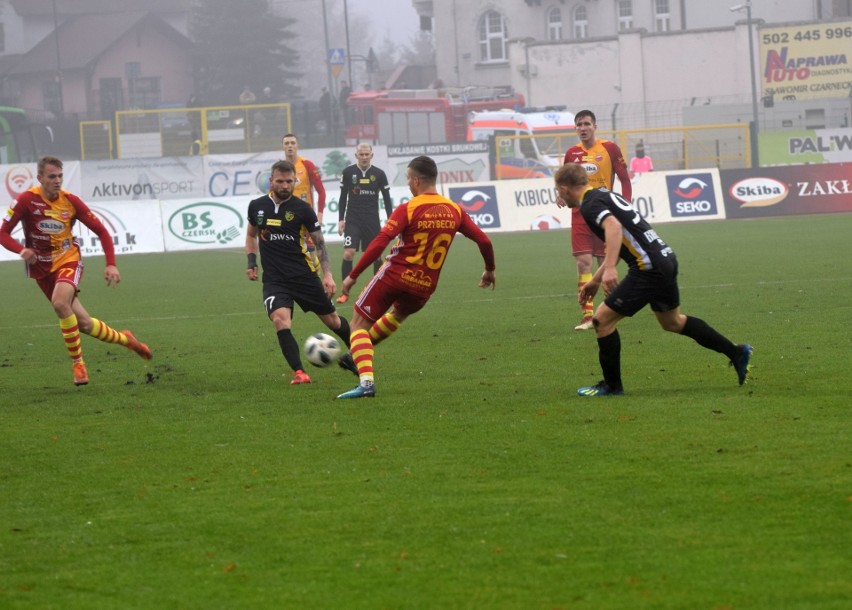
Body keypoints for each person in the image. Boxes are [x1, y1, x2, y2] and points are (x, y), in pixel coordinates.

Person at [553, 163, 752, 397]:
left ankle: (612, 386)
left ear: (566, 189)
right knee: (673, 322)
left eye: (558, 191)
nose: (559, 196)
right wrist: (596, 279)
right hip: (665, 259)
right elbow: (623, 240)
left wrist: (608, 270)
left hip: (648, 268)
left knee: (602, 321)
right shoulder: (604, 195)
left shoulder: (590, 204)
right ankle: (737, 353)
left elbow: (614, 228)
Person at [335, 155, 496, 399]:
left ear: (417, 181)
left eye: (409, 179)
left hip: (395, 275)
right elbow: (484, 240)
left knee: (358, 325)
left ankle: (366, 383)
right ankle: (354, 356)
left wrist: (353, 275)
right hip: (424, 284)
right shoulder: (454, 210)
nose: (409, 184)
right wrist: (489, 269)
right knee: (397, 315)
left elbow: (380, 242)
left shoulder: (409, 208)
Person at [0, 156, 153, 386]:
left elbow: (102, 231)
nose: (57, 181)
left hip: (68, 260)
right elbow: (2, 233)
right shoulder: (26, 200)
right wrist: (22, 250)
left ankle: (78, 363)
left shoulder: (71, 202)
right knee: (84, 324)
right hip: (41, 268)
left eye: (60, 176)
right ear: (40, 178)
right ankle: (127, 340)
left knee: (60, 303)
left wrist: (111, 263)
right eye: (52, 177)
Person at [245, 160, 358, 385]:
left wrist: (327, 275)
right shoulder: (256, 206)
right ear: (271, 181)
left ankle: (359, 355)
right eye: (280, 181)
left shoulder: (303, 209)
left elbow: (320, 243)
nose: (285, 185)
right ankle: (300, 372)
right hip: (275, 280)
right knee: (280, 320)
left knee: (333, 322)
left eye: (290, 181)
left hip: (304, 276)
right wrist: (251, 261)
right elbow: (251, 235)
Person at [563, 109, 632, 331]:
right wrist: (560, 194)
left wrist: (625, 206)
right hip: (580, 215)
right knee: (583, 262)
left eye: (586, 124)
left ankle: (608, 312)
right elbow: (565, 181)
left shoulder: (610, 148)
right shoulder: (571, 153)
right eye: (579, 125)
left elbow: (624, 180)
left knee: (606, 263)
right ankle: (587, 316)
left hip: (604, 213)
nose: (582, 128)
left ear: (595, 126)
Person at [335, 143, 393, 304]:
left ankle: (375, 292)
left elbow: (387, 199)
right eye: (361, 154)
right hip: (353, 219)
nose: (364, 157)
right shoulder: (348, 172)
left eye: (367, 154)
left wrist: (391, 219)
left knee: (376, 256)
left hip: (372, 221)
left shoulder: (379, 174)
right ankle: (345, 292)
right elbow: (342, 197)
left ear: (371, 156)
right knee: (348, 253)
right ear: (356, 156)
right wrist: (341, 219)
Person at [282, 133, 326, 274]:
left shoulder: (306, 165)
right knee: (289, 254)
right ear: (283, 146)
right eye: (287, 143)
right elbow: (273, 194)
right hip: (287, 217)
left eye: (292, 143)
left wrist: (319, 213)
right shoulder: (280, 168)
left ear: (297, 146)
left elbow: (321, 191)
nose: (290, 146)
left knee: (314, 253)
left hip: (306, 217)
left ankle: (321, 287)